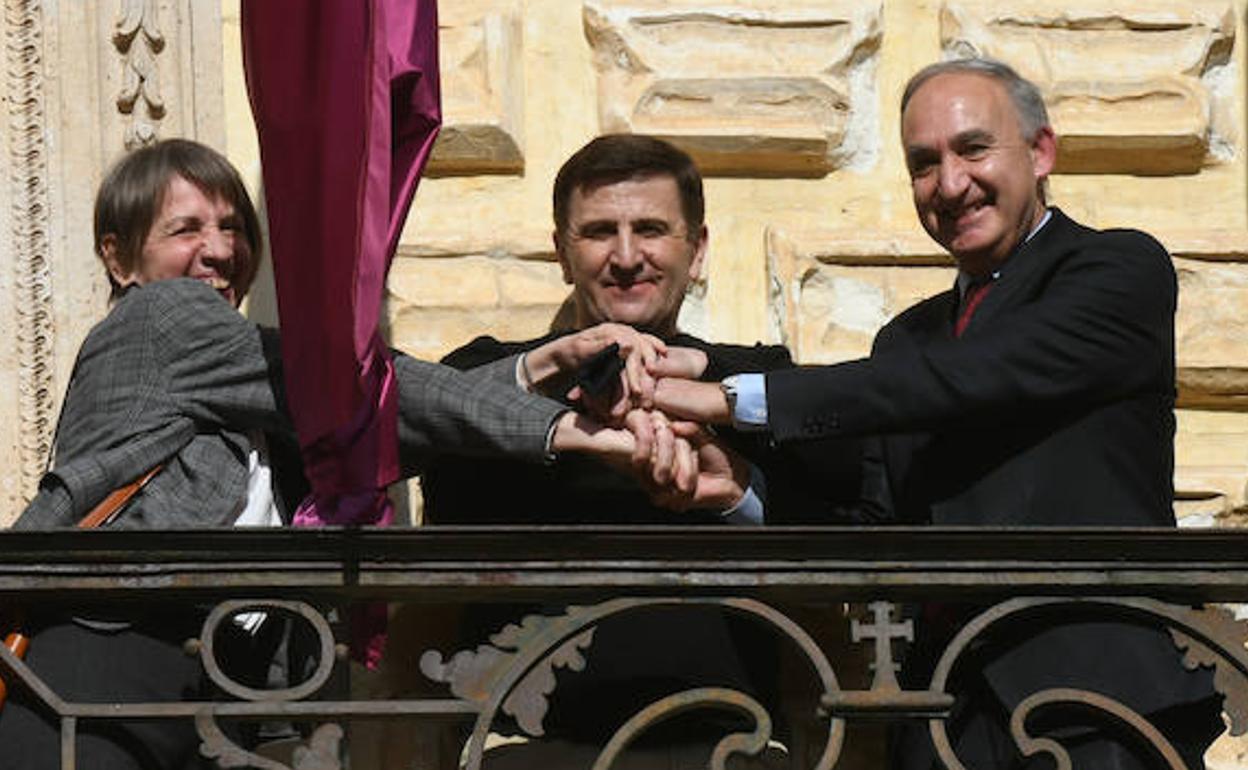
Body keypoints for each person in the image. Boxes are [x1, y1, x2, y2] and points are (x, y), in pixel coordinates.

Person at [0, 138, 647, 769]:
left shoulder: (249, 398)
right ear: (120, 260)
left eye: (233, 226)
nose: (221, 250)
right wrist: (561, 427)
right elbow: (351, 387)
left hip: (221, 697)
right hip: (111, 668)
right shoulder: (163, 314)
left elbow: (382, 415)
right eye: (186, 229)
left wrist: (538, 366)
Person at [652, 59, 1224, 768]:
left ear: (1041, 152)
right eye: (924, 163)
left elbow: (974, 376)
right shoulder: (908, 341)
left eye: (973, 149)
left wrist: (732, 392)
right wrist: (737, 491)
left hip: (1095, 704)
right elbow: (880, 527)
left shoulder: (1117, 270)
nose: (950, 184)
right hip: (939, 716)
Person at [421, 134, 866, 768]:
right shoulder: (495, 377)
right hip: (532, 748)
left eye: (651, 229)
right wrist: (565, 371)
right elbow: (438, 427)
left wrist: (707, 416)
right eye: (600, 231)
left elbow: (846, 480)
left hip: (726, 743)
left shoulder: (757, 386)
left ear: (699, 250)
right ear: (561, 253)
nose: (627, 256)